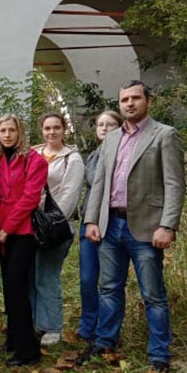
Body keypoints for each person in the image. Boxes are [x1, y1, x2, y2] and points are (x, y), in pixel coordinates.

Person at [78, 81, 185, 373]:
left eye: (135, 98)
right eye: (124, 99)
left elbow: (175, 184)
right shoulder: (111, 138)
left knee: (153, 294)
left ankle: (159, 354)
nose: (129, 103)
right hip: (110, 225)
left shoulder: (164, 135)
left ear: (148, 101)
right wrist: (91, 220)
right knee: (109, 288)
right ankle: (105, 342)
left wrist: (168, 225)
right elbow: (100, 182)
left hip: (146, 227)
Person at [0, 114, 47, 366]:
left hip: (22, 231)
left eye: (11, 130)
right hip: (1, 231)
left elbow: (30, 198)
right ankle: (13, 337)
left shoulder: (34, 160)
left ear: (20, 132)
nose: (7, 135)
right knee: (8, 286)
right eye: (3, 131)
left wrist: (8, 228)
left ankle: (28, 350)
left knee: (16, 288)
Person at [30, 113, 85, 346]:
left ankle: (52, 326)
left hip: (55, 227)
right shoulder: (34, 153)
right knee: (32, 276)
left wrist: (50, 223)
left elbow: (69, 196)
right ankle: (36, 322)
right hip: (30, 225)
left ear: (64, 130)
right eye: (47, 128)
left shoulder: (72, 159)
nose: (51, 132)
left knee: (47, 275)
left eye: (56, 128)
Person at [77, 110, 123, 341]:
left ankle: (106, 330)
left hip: (110, 222)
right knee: (87, 278)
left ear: (120, 128)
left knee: (109, 281)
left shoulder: (122, 155)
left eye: (110, 124)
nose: (104, 128)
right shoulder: (94, 155)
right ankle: (88, 322)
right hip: (88, 220)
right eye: (100, 124)